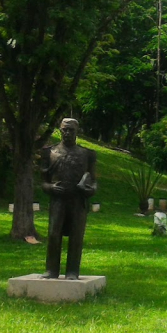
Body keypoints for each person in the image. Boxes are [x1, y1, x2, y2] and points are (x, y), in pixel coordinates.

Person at [41, 118, 97, 279]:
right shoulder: (49, 153)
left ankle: (72, 271)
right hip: (58, 200)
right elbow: (43, 182)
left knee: (76, 236)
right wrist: (51, 188)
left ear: (77, 131)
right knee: (53, 234)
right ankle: (52, 270)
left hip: (77, 201)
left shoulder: (87, 154)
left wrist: (89, 190)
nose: (67, 133)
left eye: (71, 130)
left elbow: (93, 181)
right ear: (60, 130)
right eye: (64, 130)